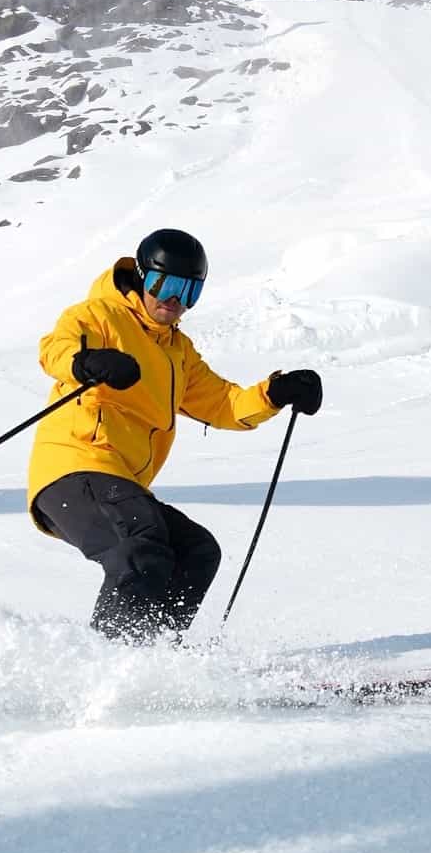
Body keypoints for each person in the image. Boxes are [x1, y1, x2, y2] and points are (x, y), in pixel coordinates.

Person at [27, 228, 323, 641]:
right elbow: (55, 350)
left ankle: (157, 660)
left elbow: (222, 403)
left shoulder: (176, 351)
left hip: (121, 484)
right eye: (165, 285)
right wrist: (88, 363)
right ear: (143, 277)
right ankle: (106, 663)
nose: (174, 301)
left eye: (189, 292)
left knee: (196, 550)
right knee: (139, 546)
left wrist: (274, 393)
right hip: (74, 470)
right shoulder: (98, 316)